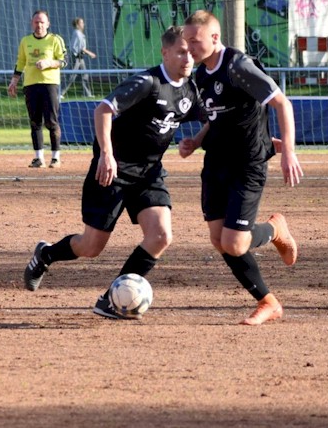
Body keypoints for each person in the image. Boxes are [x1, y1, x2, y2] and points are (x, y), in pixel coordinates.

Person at [23, 26, 200, 319]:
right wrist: (106, 155)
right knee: (90, 246)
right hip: (113, 170)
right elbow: (103, 110)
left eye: (191, 52)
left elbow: (213, 121)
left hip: (149, 172)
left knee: (160, 236)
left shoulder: (190, 90)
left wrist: (198, 141)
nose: (188, 58)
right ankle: (46, 254)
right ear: (165, 52)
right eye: (181, 51)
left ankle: (111, 299)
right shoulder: (146, 82)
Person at [181, 10, 303, 326]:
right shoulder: (202, 74)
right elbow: (214, 117)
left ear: (214, 38)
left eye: (195, 41)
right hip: (216, 162)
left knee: (235, 242)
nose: (190, 47)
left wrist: (287, 151)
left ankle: (275, 229)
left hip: (247, 164)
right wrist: (195, 141)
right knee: (219, 239)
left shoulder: (238, 66)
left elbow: (282, 104)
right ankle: (269, 302)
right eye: (187, 41)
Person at [8, 10, 68, 168]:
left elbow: (63, 61)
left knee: (52, 121)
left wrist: (49, 63)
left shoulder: (55, 40)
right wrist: (14, 81)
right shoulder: (25, 41)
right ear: (31, 23)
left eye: (42, 22)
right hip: (31, 85)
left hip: (50, 84)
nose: (39, 25)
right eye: (36, 22)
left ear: (48, 24)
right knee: (35, 122)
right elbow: (20, 62)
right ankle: (38, 157)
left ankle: (55, 157)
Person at [61, 17, 96, 98]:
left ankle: (87, 94)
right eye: (81, 22)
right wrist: (90, 53)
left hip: (81, 57)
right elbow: (80, 48)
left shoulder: (80, 33)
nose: (83, 24)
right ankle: (60, 93)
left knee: (85, 75)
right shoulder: (77, 33)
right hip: (76, 57)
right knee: (71, 76)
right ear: (77, 24)